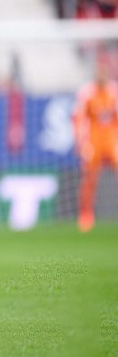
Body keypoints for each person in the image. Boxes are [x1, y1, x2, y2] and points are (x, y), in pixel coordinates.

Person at [72, 64, 118, 232]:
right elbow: (79, 117)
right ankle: (85, 215)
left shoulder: (114, 91)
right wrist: (80, 141)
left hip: (112, 139)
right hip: (93, 140)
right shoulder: (87, 92)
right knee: (89, 179)